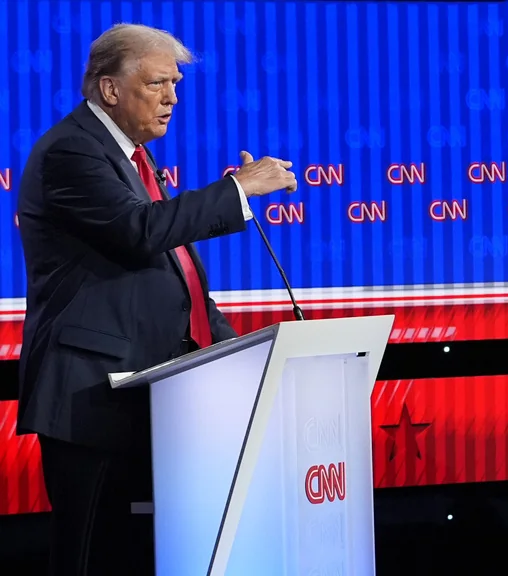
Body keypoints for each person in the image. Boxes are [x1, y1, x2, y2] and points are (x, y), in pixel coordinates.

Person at [15, 23, 297, 574]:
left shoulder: (131, 156)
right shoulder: (72, 151)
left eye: (175, 84)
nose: (172, 98)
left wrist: (242, 355)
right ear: (110, 89)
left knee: (145, 555)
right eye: (157, 84)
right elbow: (139, 231)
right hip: (91, 397)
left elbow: (176, 277)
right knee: (92, 557)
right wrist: (239, 188)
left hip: (150, 395)